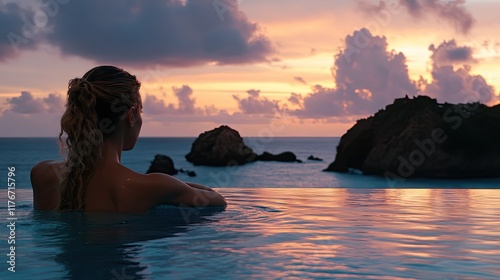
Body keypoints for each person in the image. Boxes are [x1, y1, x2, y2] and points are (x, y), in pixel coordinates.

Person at [30, 65, 227, 212]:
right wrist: (174, 185)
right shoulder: (150, 187)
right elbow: (217, 200)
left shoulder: (42, 174)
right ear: (131, 116)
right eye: (141, 111)